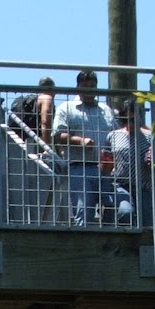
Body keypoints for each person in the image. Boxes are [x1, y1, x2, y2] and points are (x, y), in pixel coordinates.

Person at [51, 69, 118, 226]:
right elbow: (57, 136)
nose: (89, 90)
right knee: (84, 211)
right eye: (85, 86)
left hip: (106, 169)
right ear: (78, 87)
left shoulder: (106, 110)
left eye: (92, 86)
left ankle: (106, 240)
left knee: (115, 207)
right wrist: (79, 141)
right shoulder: (66, 107)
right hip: (79, 167)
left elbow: (116, 135)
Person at [106, 97, 153, 227]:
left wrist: (151, 160)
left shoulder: (149, 136)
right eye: (126, 120)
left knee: (147, 223)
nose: (130, 124)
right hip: (120, 185)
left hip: (144, 186)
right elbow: (105, 163)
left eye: (133, 120)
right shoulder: (113, 136)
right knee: (125, 212)